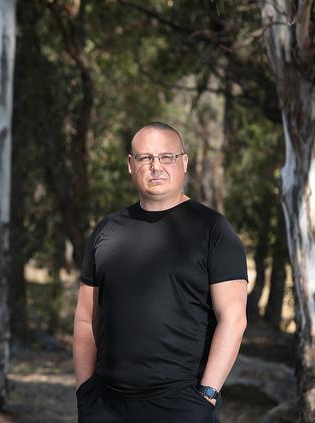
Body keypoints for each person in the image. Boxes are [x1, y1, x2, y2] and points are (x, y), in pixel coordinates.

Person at [73, 122, 248, 423]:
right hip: (106, 405)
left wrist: (206, 395)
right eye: (145, 158)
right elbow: (86, 317)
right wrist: (85, 391)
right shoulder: (107, 230)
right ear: (131, 165)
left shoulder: (213, 229)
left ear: (184, 162)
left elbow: (233, 319)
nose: (156, 167)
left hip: (181, 404)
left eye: (166, 157)